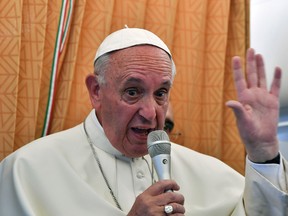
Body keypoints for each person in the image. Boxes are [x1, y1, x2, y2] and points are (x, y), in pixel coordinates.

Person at [0, 27, 287, 216]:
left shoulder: (208, 172)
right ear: (96, 91)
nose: (150, 112)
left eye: (161, 93)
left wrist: (263, 151)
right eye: (133, 91)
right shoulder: (26, 170)